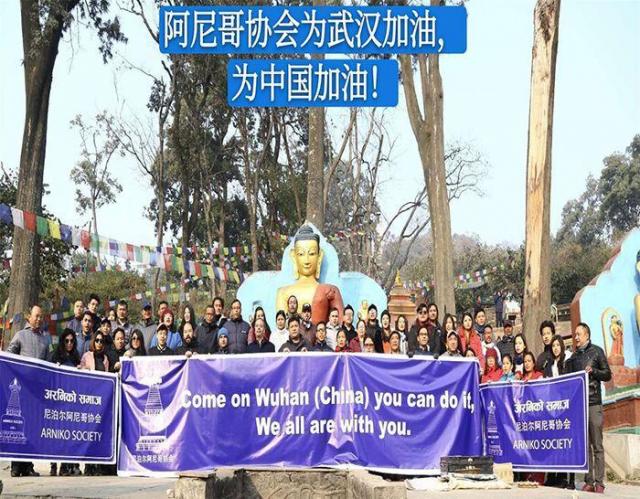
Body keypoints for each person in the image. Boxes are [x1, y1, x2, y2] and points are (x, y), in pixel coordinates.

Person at [565, 322, 611, 494]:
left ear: (587, 335)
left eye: (579, 334)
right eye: (575, 334)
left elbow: (607, 374)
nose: (576, 337)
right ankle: (589, 481)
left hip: (594, 403)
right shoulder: (573, 357)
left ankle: (599, 482)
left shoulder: (597, 352)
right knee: (585, 445)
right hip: (579, 406)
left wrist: (594, 372)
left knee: (597, 444)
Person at [275, 225, 345, 324]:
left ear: (319, 256)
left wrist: (330, 296)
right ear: (294, 256)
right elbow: (281, 325)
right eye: (301, 254)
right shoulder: (283, 293)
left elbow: (340, 325)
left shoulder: (329, 290)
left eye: (311, 253)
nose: (307, 260)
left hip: (320, 332)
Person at [47, 328, 82, 477]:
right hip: (57, 401)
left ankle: (65, 466)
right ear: (62, 341)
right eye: (67, 341)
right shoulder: (55, 355)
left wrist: (80, 369)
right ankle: (53, 465)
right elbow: (48, 375)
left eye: (72, 341)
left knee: (68, 435)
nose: (69, 343)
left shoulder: (75, 356)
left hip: (71, 402)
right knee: (56, 435)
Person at [543, 334, 571, 489]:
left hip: (564, 407)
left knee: (562, 443)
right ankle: (551, 475)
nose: (555, 348)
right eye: (553, 346)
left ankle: (562, 477)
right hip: (551, 408)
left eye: (557, 345)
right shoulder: (549, 364)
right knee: (552, 444)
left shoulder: (567, 362)